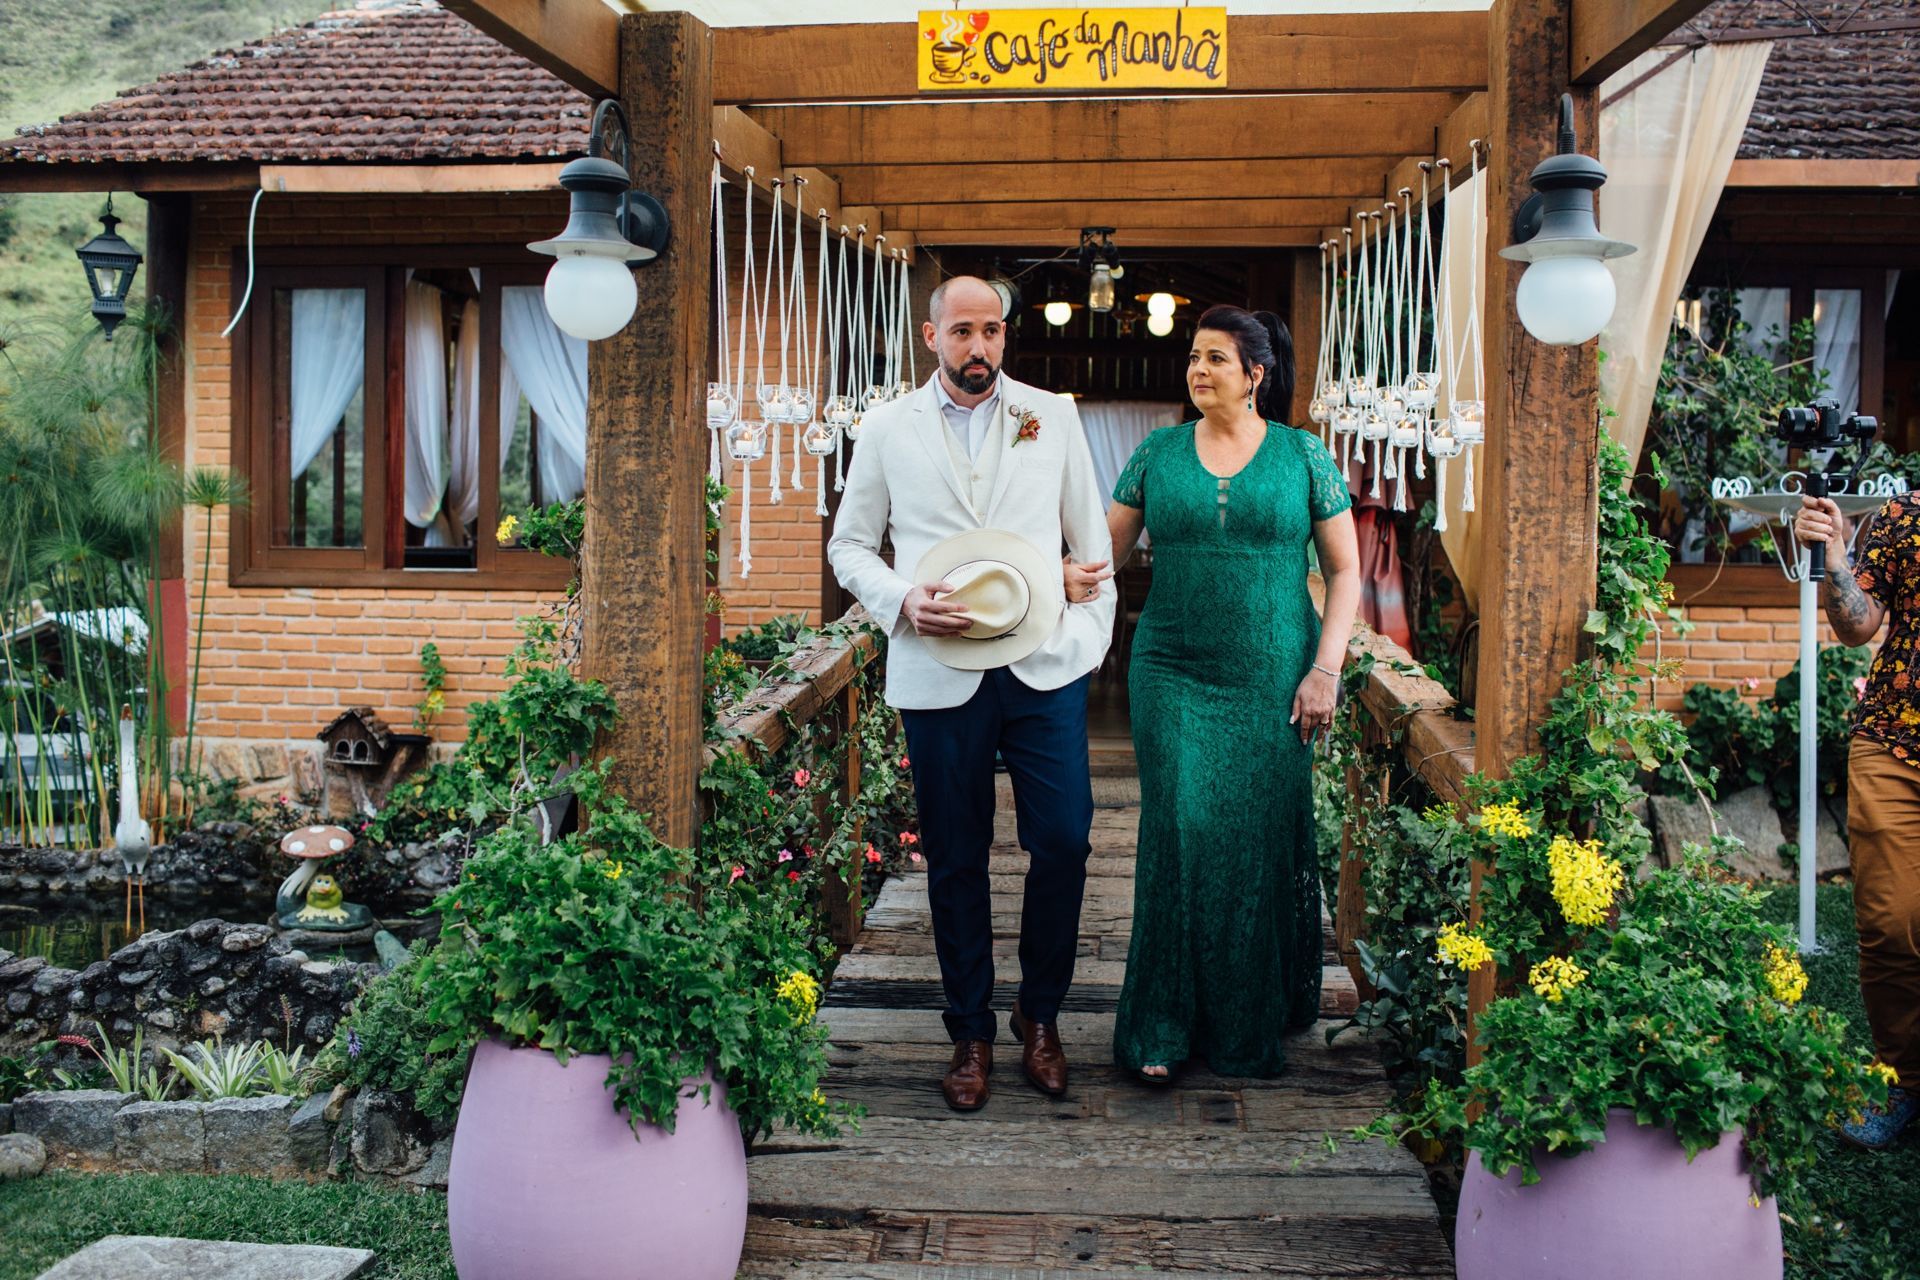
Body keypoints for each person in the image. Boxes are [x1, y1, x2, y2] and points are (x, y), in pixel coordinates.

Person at [827, 275, 1116, 1111]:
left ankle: (1040, 1014)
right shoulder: (886, 429)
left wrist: (1083, 644)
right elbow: (851, 548)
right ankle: (970, 1033)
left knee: (1062, 841)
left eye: (991, 331)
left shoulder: (1052, 417)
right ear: (931, 337)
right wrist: (902, 603)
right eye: (962, 332)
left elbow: (1090, 556)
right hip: (938, 672)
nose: (979, 346)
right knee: (956, 859)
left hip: (1043, 669)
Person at [1065, 304, 1361, 1080]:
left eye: (1216, 359)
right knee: (1182, 827)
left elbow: (1345, 572)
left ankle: (1246, 1016)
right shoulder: (1157, 454)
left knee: (1259, 834)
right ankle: (1161, 1025)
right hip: (1174, 672)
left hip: (1275, 674)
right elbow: (1101, 554)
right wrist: (1042, 574)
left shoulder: (1302, 456)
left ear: (1255, 373)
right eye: (1194, 357)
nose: (1198, 370)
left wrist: (1325, 668)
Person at [1796, 489, 1920, 1148]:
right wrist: (1836, 556)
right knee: (1890, 921)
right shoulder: (1905, 517)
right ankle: (1905, 1081)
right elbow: (1856, 625)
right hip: (1895, 745)